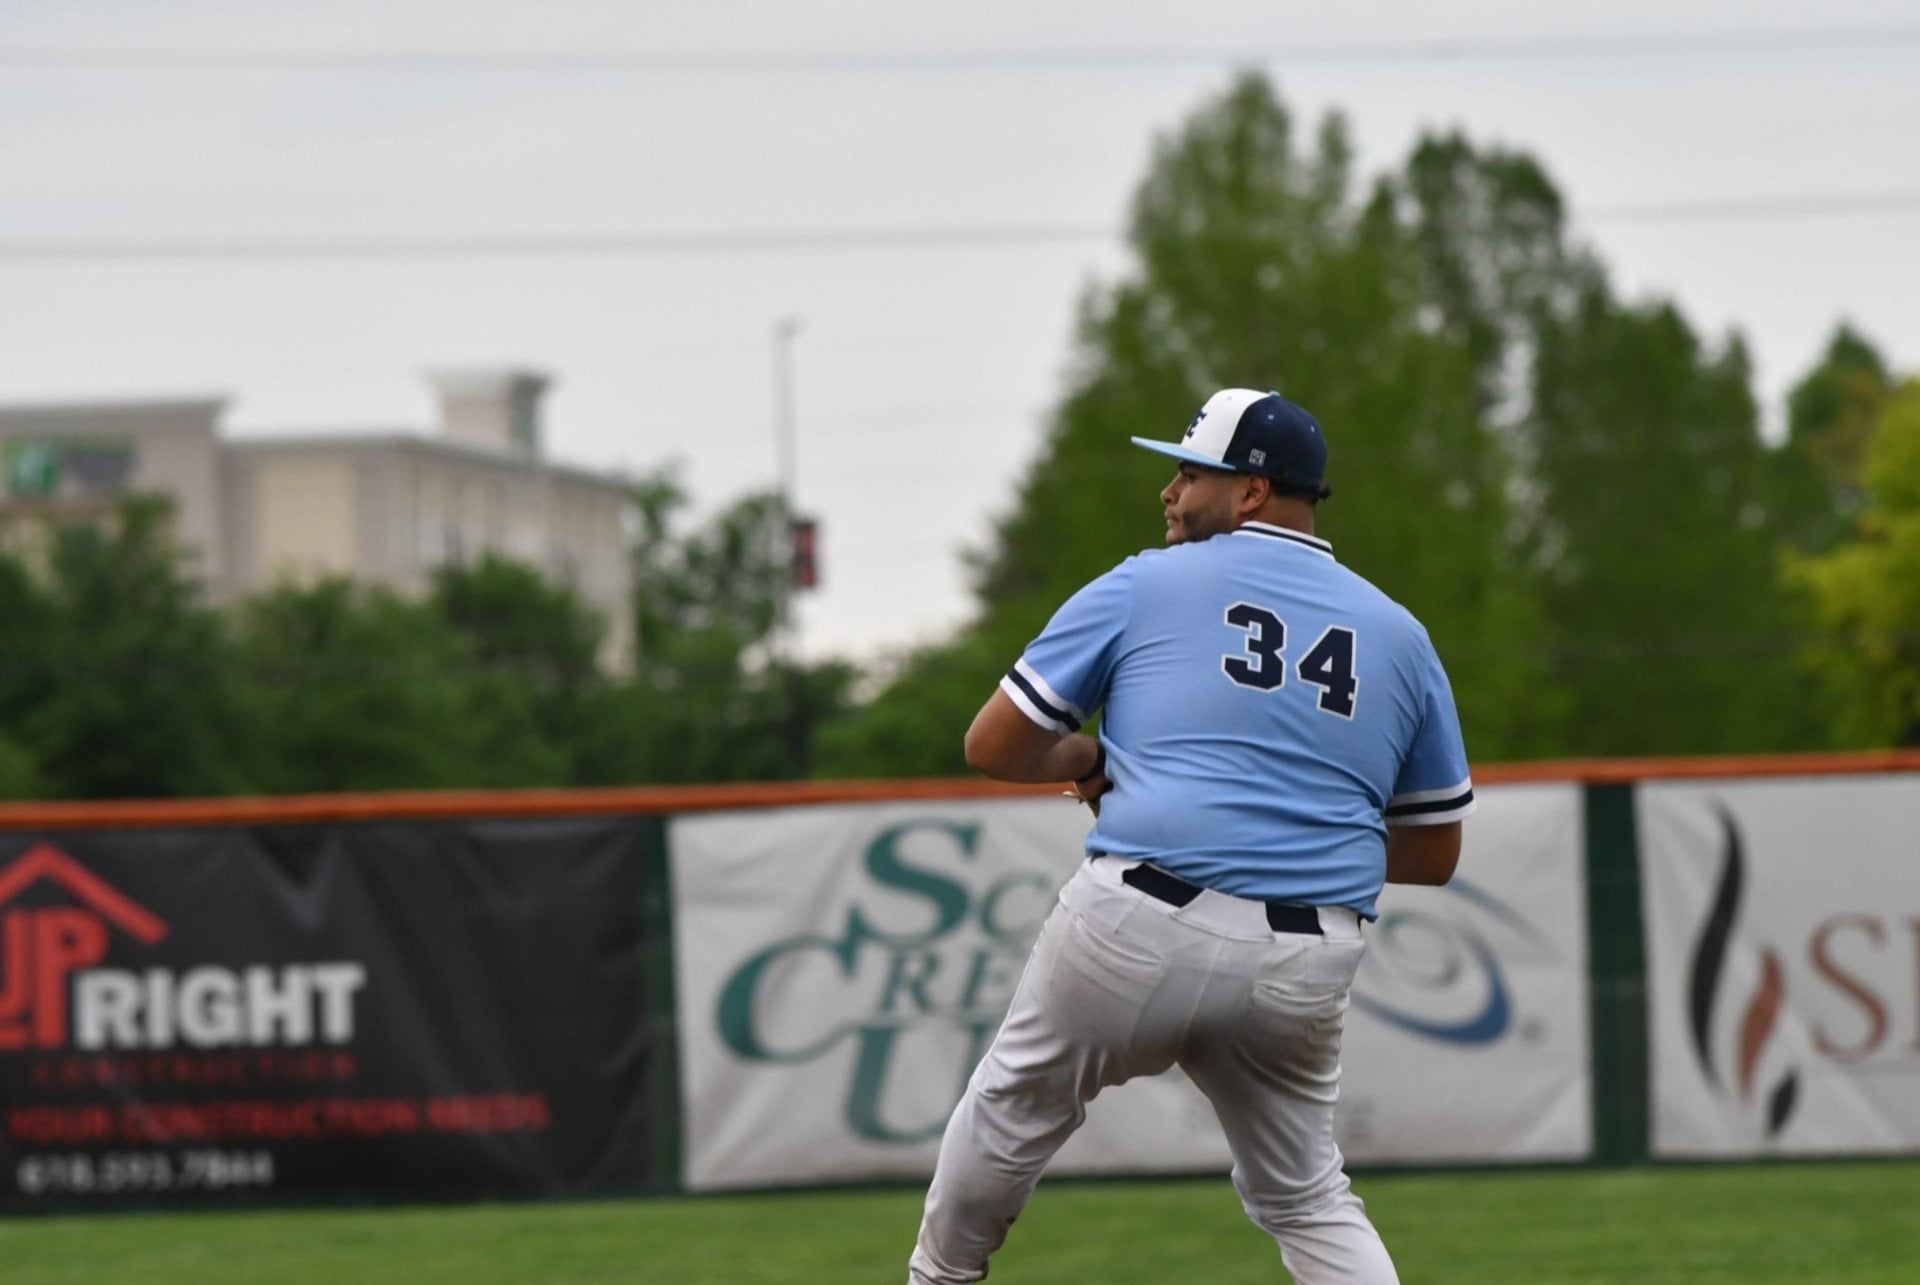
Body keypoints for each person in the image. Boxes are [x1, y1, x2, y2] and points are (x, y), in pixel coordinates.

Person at [905, 388, 1474, 1285]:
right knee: (1308, 1196)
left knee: (1008, 1114)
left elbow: (994, 745)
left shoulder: (1148, 580)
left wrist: (1094, 759)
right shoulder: (1401, 634)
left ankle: (939, 1278)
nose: (1169, 491)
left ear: (1250, 490)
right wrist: (1304, 834)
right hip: (1305, 953)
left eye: (1188, 471)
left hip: (1139, 918)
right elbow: (1435, 852)